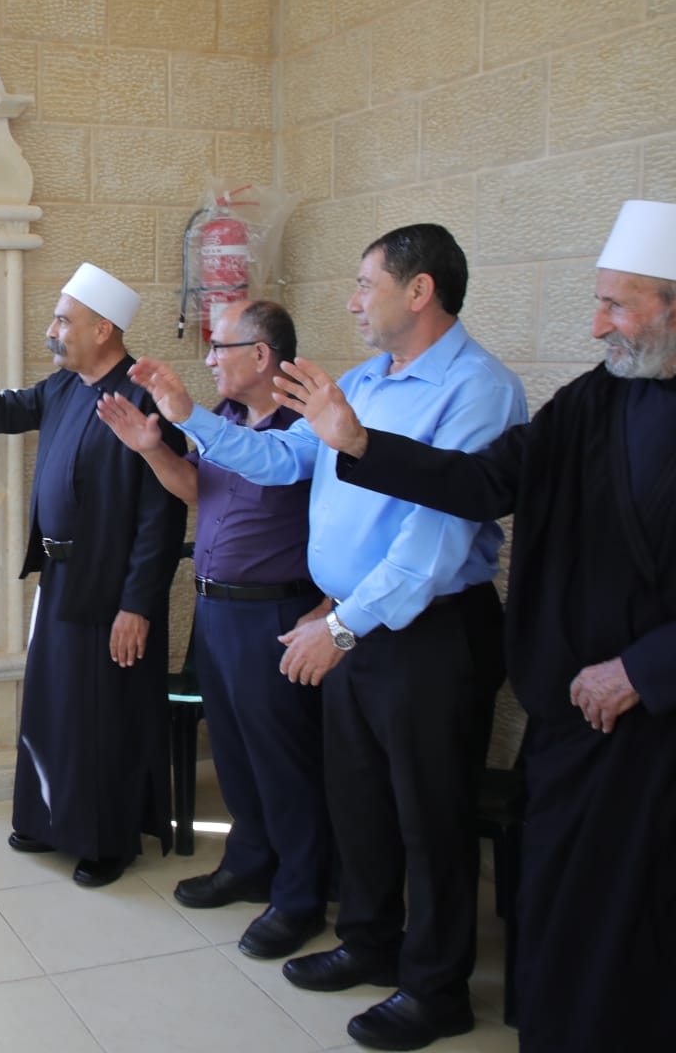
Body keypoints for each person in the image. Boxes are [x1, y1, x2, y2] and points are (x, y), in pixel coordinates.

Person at [272, 199, 676, 1052]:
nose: (596, 323)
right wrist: (360, 444)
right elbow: (483, 483)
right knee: (562, 890)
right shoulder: (591, 402)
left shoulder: (484, 385)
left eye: (620, 304)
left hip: (649, 703)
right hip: (575, 704)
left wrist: (643, 668)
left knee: (616, 901)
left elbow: (440, 541)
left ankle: (469, 995)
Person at [127, 224, 526, 1050]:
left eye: (363, 282)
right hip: (350, 625)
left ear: (418, 292)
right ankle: (370, 944)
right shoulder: (363, 381)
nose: (351, 299)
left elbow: (436, 540)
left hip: (426, 633)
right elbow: (278, 462)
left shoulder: (479, 390)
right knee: (361, 802)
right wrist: (187, 415)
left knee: (430, 816)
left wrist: (340, 625)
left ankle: (435, 988)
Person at [0, 262, 187, 888]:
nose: (53, 330)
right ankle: (49, 819)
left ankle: (105, 840)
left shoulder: (142, 398)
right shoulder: (64, 387)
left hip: (115, 588)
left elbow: (160, 517)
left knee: (105, 716)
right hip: (63, 578)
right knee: (56, 709)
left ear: (102, 329)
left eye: (63, 320)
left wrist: (137, 607)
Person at [97, 299, 330, 958]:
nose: (208, 360)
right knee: (233, 750)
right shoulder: (227, 418)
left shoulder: (303, 427)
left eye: (219, 348)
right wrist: (151, 450)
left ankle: (300, 895)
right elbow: (201, 491)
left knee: (282, 759)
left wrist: (181, 415)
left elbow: (265, 465)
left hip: (276, 611)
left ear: (260, 356)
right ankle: (249, 860)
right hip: (218, 608)